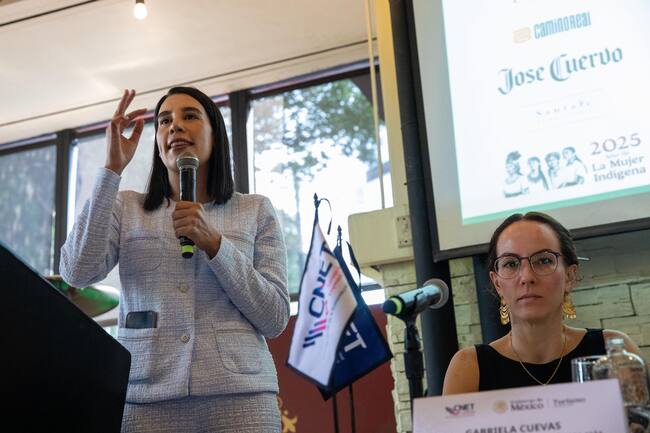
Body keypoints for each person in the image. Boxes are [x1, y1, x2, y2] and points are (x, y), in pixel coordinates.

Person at [60, 88, 289, 432]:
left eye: (190, 116)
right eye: (164, 121)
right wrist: (111, 170)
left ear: (215, 133)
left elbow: (274, 318)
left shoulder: (255, 210)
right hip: (146, 400)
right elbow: (76, 271)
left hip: (240, 399)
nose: (175, 126)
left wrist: (215, 244)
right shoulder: (127, 207)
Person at [442, 211, 642, 394]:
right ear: (498, 284)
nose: (527, 277)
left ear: (570, 276)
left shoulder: (614, 352)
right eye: (511, 264)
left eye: (543, 260)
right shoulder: (469, 368)